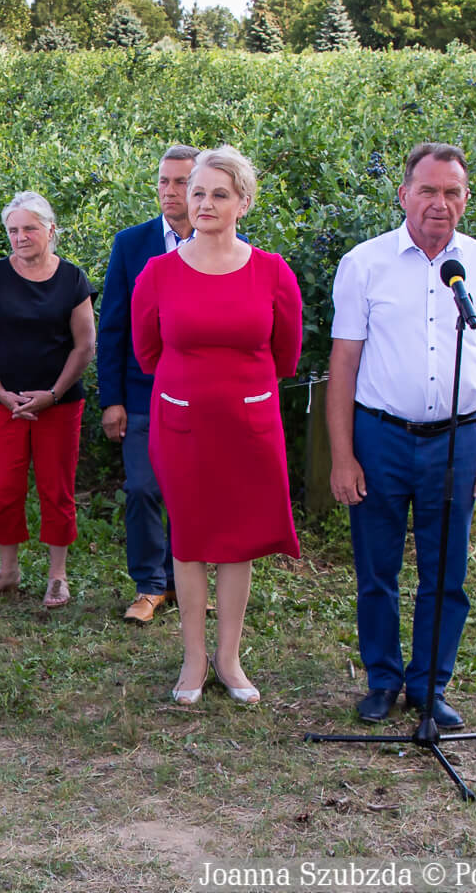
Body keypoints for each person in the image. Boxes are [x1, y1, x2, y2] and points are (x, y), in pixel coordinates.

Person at [327, 142, 476, 728]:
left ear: (465, 199)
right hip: (381, 436)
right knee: (377, 568)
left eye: (452, 192)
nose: (440, 204)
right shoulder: (364, 263)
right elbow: (343, 363)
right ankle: (383, 680)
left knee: (447, 573)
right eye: (429, 191)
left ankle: (430, 687)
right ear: (404, 195)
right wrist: (343, 455)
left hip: (457, 441)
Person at [132, 147, 303, 705]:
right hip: (182, 427)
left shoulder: (272, 272)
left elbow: (286, 355)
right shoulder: (158, 273)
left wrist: (236, 391)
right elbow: (147, 352)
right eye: (197, 192)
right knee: (189, 540)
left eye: (218, 194)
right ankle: (192, 659)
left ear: (243, 203)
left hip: (249, 426)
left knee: (237, 544)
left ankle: (228, 659)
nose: (203, 203)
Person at [0, 192, 96, 610]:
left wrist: (53, 394)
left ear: (50, 230)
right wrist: (1, 393)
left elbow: (84, 345)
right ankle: (8, 571)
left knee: (56, 489)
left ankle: (58, 576)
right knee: (4, 488)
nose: (20, 237)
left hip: (58, 404)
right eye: (13, 230)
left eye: (29, 229)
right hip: (5, 405)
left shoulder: (72, 279)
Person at [96, 145, 198, 624]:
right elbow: (112, 327)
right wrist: (111, 399)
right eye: (164, 181)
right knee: (142, 488)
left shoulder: (221, 243)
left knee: (193, 489)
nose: (170, 191)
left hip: (201, 394)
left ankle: (185, 580)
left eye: (181, 182)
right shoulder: (132, 245)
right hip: (143, 392)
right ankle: (149, 584)